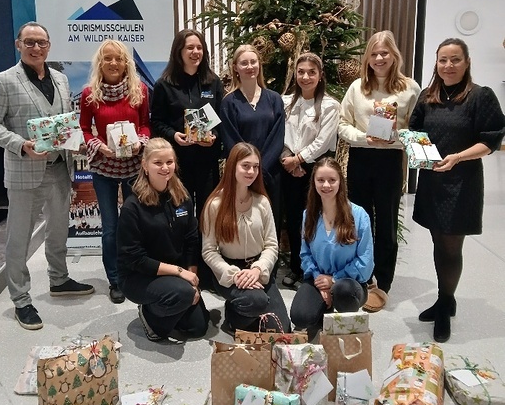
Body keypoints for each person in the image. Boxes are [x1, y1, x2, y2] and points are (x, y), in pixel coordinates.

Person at [0, 21, 94, 331]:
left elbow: (65, 121)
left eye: (41, 42)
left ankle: (58, 279)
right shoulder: (3, 81)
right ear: (18, 45)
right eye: (29, 42)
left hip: (59, 169)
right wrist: (21, 145)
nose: (36, 47)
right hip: (25, 172)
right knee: (19, 239)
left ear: (49, 45)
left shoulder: (60, 78)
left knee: (58, 231)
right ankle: (21, 299)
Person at [409, 38, 505, 343]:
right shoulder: (428, 96)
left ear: (466, 62)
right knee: (439, 241)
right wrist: (421, 155)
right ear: (436, 63)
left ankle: (444, 304)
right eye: (442, 60)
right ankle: (444, 299)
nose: (448, 66)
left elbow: (491, 140)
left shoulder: (480, 96)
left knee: (451, 247)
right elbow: (414, 131)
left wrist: (458, 156)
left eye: (455, 60)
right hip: (433, 180)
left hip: (462, 182)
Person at [338, 30, 420, 310]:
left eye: (384, 53)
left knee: (385, 223)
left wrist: (396, 136)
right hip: (361, 158)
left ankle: (382, 283)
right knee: (360, 222)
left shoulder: (409, 88)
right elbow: (342, 124)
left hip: (389, 162)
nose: (379, 58)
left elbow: (417, 130)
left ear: (394, 55)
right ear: (368, 58)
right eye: (374, 53)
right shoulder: (357, 88)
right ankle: (361, 277)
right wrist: (365, 138)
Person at [116, 138, 209, 342]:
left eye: (169, 162)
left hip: (175, 275)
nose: (165, 168)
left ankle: (170, 302)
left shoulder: (183, 198)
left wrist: (192, 279)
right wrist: (180, 273)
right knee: (181, 297)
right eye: (158, 163)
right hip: (139, 276)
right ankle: (150, 315)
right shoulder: (132, 207)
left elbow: (192, 241)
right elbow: (135, 259)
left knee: (198, 327)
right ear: (145, 165)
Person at [150, 29, 224, 285]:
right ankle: (180, 268)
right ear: (179, 52)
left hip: (206, 163)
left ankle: (206, 267)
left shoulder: (212, 82)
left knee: (207, 215)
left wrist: (214, 137)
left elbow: (220, 121)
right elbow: (156, 122)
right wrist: (174, 135)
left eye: (199, 48)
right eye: (190, 48)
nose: (195, 52)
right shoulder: (164, 85)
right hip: (176, 165)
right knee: (179, 215)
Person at [79, 40, 150, 304]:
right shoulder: (89, 94)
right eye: (107, 58)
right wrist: (99, 146)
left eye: (118, 58)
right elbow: (85, 130)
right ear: (100, 63)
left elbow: (145, 124)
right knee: (110, 228)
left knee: (134, 225)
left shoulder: (139, 90)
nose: (113, 63)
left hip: (133, 166)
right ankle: (115, 280)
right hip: (104, 168)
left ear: (125, 63)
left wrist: (139, 143)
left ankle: (135, 271)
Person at [201, 142, 291, 333]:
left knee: (282, 328)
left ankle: (242, 311)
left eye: (255, 167)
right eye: (245, 166)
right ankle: (235, 315)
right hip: (230, 270)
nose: (251, 171)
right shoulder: (215, 204)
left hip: (258, 269)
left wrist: (257, 270)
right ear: (232, 166)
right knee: (256, 301)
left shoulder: (262, 202)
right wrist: (235, 275)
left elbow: (272, 246)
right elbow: (209, 251)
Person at [290, 158, 374, 338]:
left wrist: (334, 280)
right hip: (318, 278)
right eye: (320, 180)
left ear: (340, 182)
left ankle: (346, 329)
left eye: (332, 180)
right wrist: (319, 279)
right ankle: (323, 314)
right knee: (300, 316)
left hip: (350, 284)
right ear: (314, 182)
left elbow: (365, 262)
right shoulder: (309, 215)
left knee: (343, 291)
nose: (326, 185)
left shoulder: (358, 216)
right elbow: (305, 254)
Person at [280, 53, 340, 288]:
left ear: (320, 75)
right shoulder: (285, 102)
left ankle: (317, 270)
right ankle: (297, 267)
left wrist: (299, 160)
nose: (305, 77)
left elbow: (323, 142)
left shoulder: (329, 105)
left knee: (316, 220)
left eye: (311, 72)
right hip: (289, 167)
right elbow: (280, 135)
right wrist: (289, 159)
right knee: (294, 220)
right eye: (301, 72)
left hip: (316, 170)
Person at [220, 45, 285, 231]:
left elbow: (277, 136)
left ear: (259, 65)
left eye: (253, 62)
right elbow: (231, 139)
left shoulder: (274, 99)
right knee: (244, 222)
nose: (250, 67)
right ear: (235, 68)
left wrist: (260, 169)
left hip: (271, 173)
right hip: (241, 176)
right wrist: (249, 168)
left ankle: (271, 260)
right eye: (244, 63)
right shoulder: (229, 102)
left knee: (272, 221)